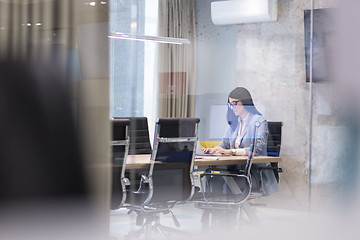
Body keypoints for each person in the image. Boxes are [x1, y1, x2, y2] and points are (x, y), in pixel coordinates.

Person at [204, 87, 278, 196]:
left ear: (245, 102)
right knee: (212, 180)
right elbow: (224, 145)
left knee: (227, 185)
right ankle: (216, 211)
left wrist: (231, 152)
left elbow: (257, 148)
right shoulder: (233, 124)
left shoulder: (259, 121)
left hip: (252, 174)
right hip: (234, 171)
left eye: (235, 103)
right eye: (230, 104)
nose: (232, 107)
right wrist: (214, 149)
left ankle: (228, 212)